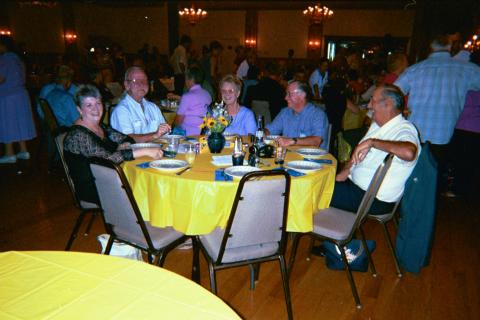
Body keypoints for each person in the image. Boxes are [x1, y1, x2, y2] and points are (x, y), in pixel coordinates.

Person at [394, 35, 480, 184]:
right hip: (444, 136)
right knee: (432, 181)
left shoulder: (414, 70)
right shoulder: (467, 70)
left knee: (410, 178)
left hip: (414, 135)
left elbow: (390, 94)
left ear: (430, 48)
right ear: (450, 47)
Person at [64, 85, 163, 204]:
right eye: (89, 105)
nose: (96, 109)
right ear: (79, 109)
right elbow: (110, 159)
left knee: (150, 181)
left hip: (110, 179)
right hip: (95, 188)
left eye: (98, 103)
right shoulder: (78, 135)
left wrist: (123, 146)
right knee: (149, 187)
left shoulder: (100, 126)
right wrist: (145, 151)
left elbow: (126, 139)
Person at [333, 84, 420, 215]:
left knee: (312, 187)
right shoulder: (377, 125)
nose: (368, 106)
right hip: (356, 188)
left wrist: (372, 142)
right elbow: (356, 159)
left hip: (373, 199)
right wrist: (344, 172)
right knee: (317, 180)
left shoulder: (405, 129)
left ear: (388, 104)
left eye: (372, 100)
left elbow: (409, 152)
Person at [0, 35, 37, 164]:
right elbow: (23, 78)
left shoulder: (4, 58)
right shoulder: (18, 58)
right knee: (20, 122)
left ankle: (9, 153)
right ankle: (23, 150)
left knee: (7, 123)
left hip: (7, 96)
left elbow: (1, 78)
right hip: (21, 94)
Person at [110, 66, 171, 142]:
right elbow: (126, 140)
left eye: (144, 81)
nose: (141, 84)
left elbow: (165, 134)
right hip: (135, 153)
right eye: (136, 81)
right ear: (126, 85)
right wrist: (154, 135)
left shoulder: (153, 107)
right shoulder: (121, 110)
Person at [265, 81, 329, 149]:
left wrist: (292, 141)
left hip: (313, 158)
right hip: (290, 156)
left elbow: (317, 141)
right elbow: (270, 130)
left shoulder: (318, 115)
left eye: (289, 94)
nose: (286, 98)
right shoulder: (285, 112)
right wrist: (264, 134)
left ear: (302, 95)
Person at [172, 66, 212, 136]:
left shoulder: (187, 96)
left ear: (190, 80)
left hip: (188, 134)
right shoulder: (207, 94)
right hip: (205, 132)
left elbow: (178, 121)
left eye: (186, 79)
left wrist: (171, 125)